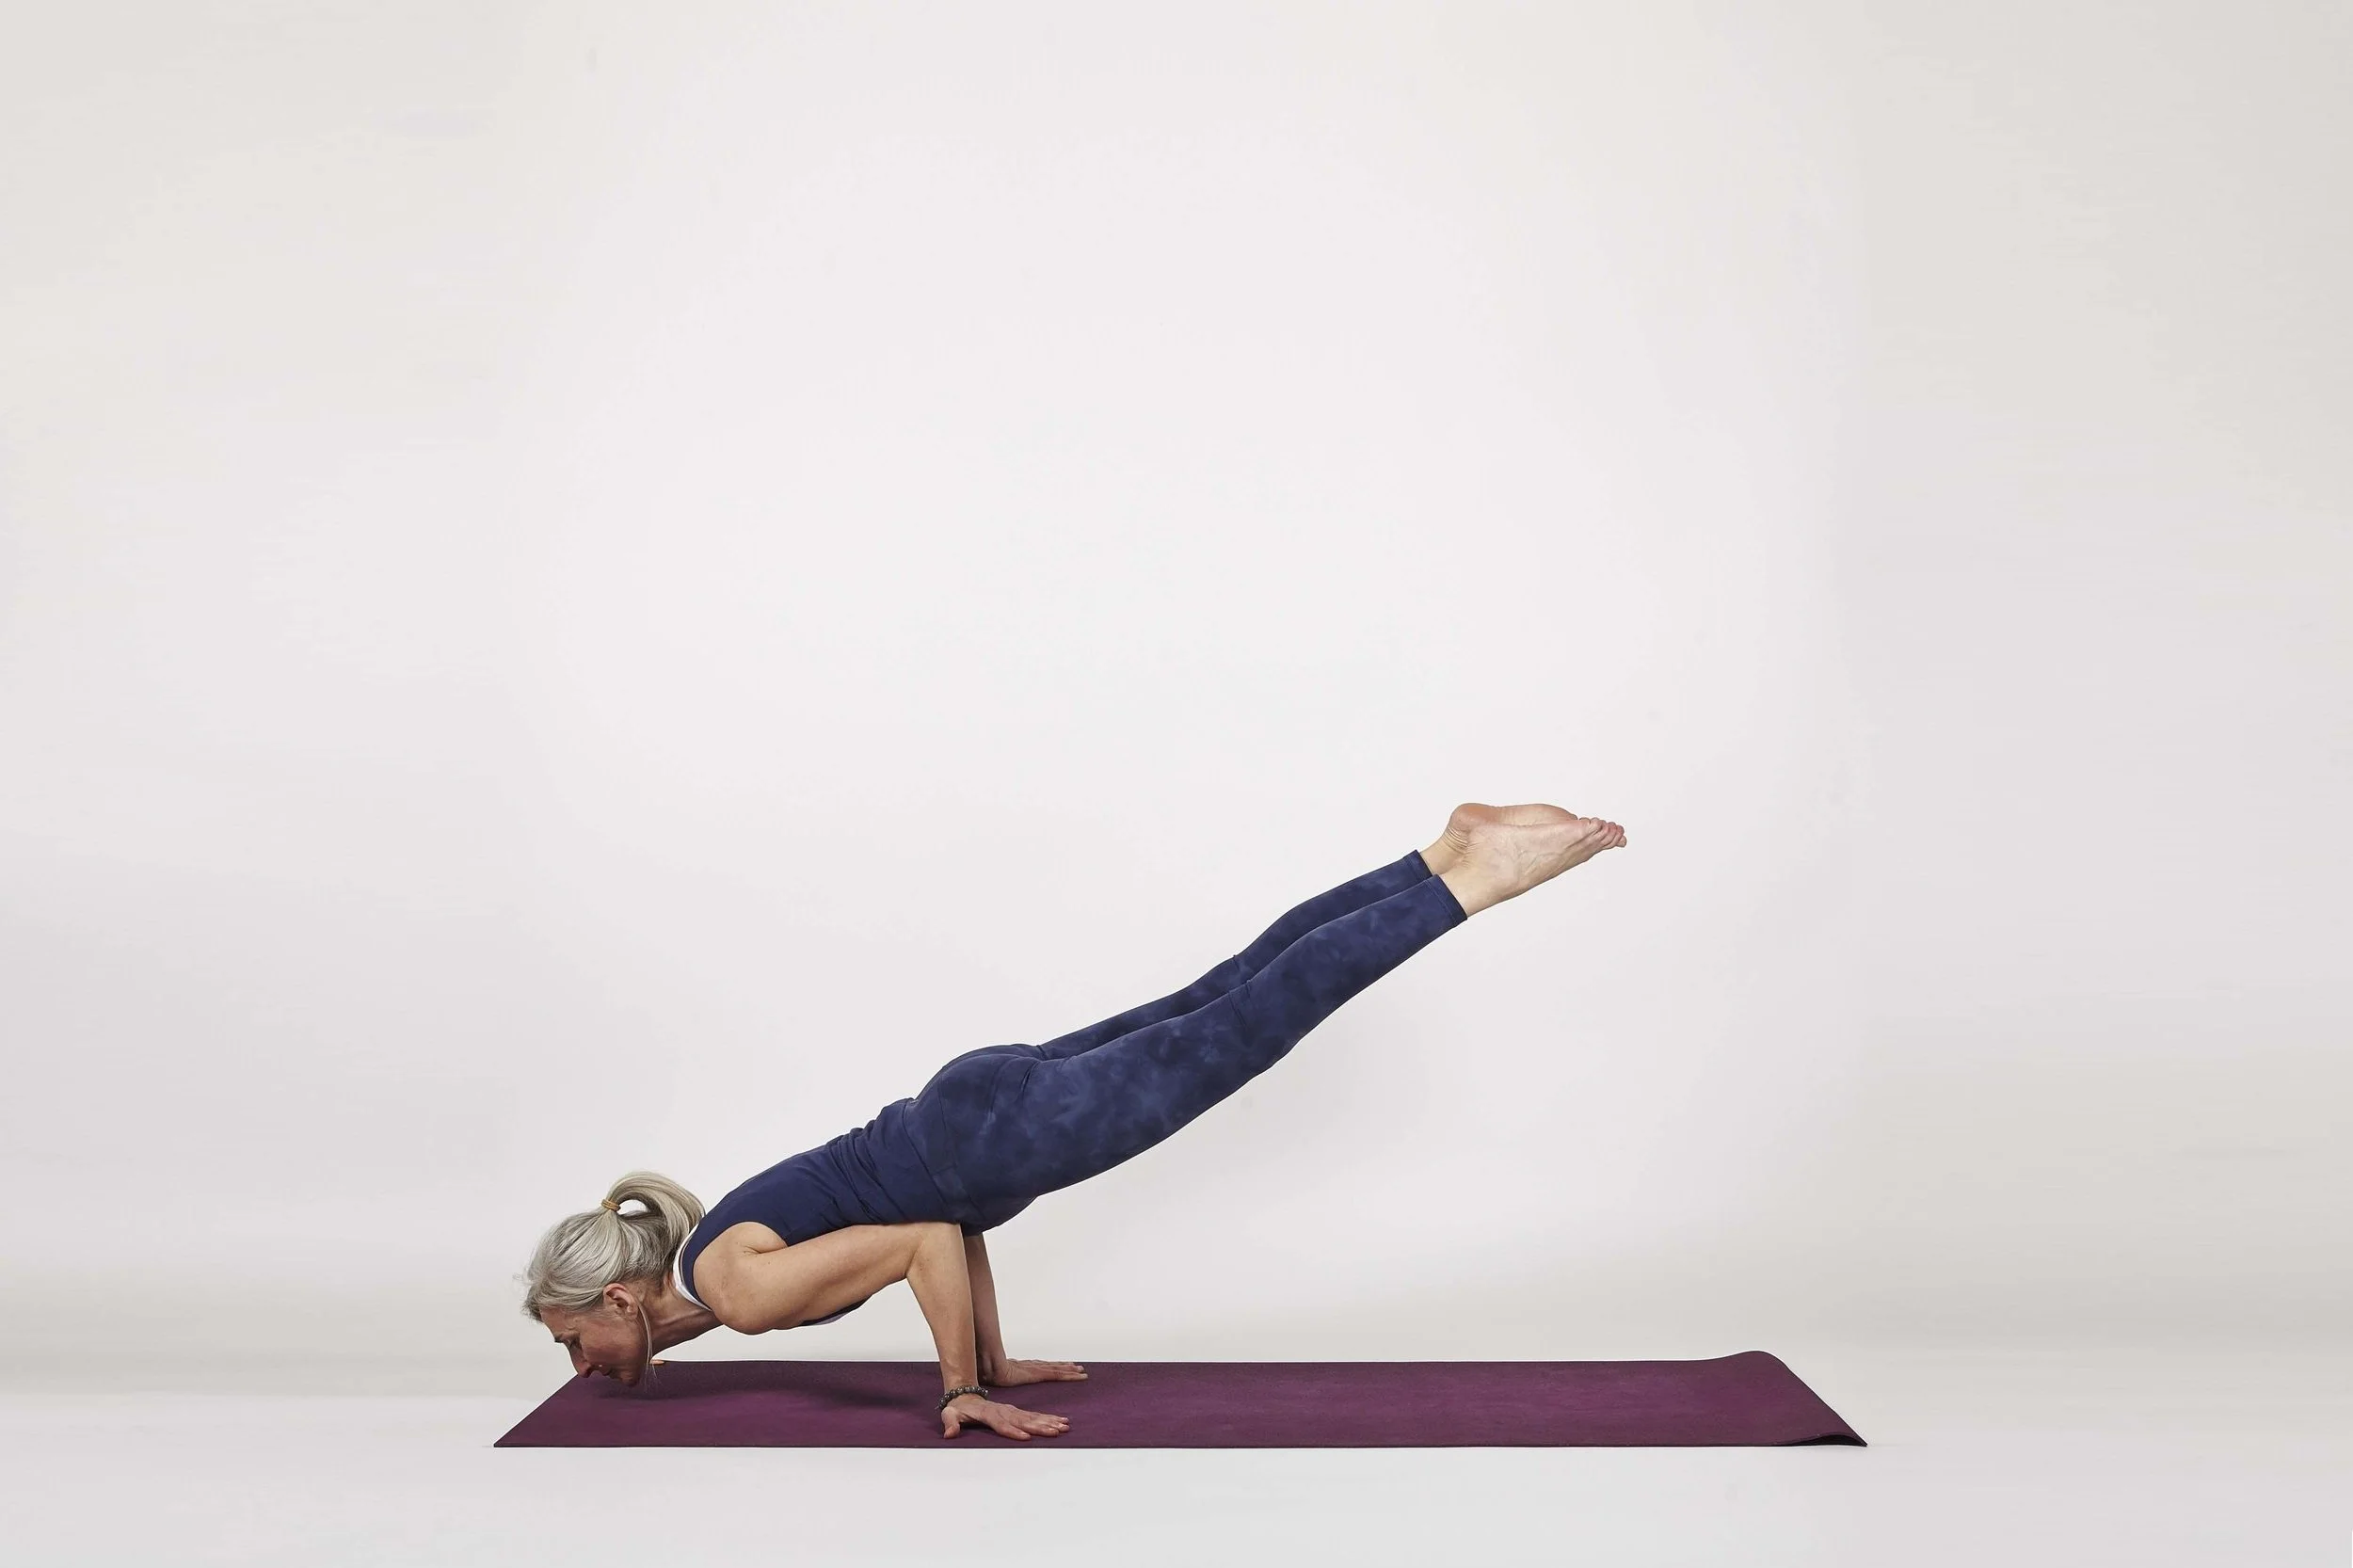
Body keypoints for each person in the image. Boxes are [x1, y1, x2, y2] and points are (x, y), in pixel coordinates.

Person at [520, 802, 1626, 1441]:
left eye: (573, 1339)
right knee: (1223, 995)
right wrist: (995, 1356)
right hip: (973, 1108)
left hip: (988, 1140)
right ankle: (1434, 854)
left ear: (617, 1294)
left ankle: (1468, 882)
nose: (579, 1366)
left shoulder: (736, 1289)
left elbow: (921, 1241)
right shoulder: (715, 1275)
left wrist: (960, 1389)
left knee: (1246, 1021)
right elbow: (935, 1228)